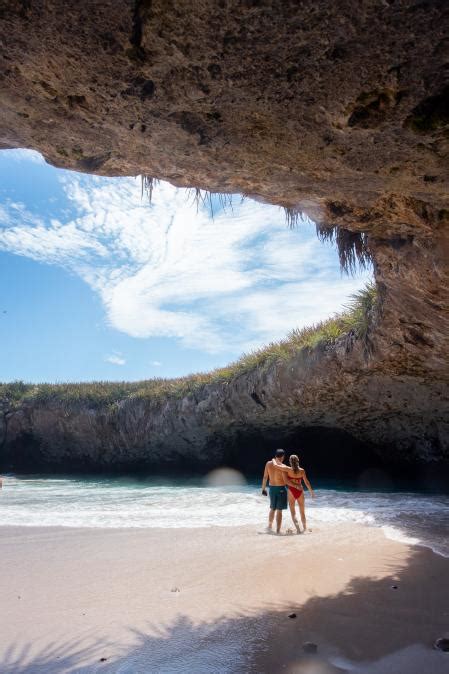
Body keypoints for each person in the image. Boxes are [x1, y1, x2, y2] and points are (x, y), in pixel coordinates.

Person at [271, 453, 315, 533]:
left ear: (290, 462)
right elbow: (307, 482)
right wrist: (311, 492)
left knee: (293, 513)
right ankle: (304, 529)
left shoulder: (288, 469)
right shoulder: (302, 470)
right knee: (302, 512)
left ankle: (298, 529)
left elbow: (275, 466)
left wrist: (274, 460)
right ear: (298, 461)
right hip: (300, 491)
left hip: (291, 491)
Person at [261, 448, 290, 534]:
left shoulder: (268, 463)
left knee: (272, 508)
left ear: (275, 455)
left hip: (271, 488)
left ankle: (269, 526)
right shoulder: (282, 466)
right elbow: (285, 481)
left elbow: (265, 477)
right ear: (283, 457)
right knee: (279, 510)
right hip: (281, 489)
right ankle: (278, 530)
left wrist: (263, 488)